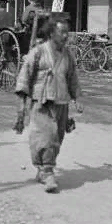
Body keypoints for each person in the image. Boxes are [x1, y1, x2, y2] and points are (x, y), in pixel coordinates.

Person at [14, 14, 84, 193]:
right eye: (62, 32)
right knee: (46, 137)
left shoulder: (67, 55)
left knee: (57, 138)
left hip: (62, 102)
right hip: (42, 103)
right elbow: (24, 76)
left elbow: (72, 78)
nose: (65, 36)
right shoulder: (38, 52)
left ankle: (42, 169)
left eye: (67, 32)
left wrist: (77, 98)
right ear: (52, 33)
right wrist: (21, 109)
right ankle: (48, 172)